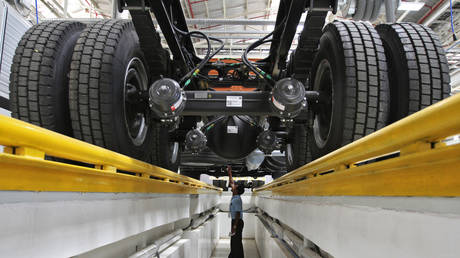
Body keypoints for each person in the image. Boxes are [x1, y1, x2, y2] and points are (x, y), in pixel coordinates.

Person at [227, 165, 245, 258]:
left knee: (236, 241)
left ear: (237, 190)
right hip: (235, 221)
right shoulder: (235, 196)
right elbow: (231, 182)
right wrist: (229, 172)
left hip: (237, 222)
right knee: (234, 241)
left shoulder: (237, 199)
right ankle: (233, 256)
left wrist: (234, 226)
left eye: (235, 186)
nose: (233, 185)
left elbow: (238, 213)